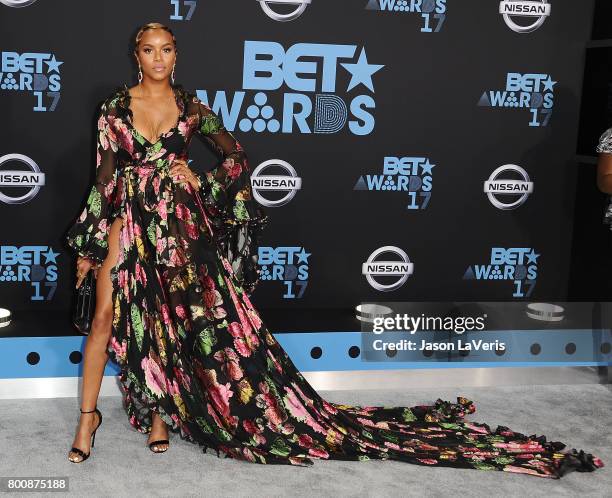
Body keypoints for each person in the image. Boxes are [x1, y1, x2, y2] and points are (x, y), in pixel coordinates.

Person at [64, 22, 605, 478]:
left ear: (176, 56)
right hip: (130, 224)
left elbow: (235, 157)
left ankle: (162, 417)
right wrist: (91, 243)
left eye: (166, 48)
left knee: (176, 324)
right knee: (109, 320)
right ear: (136, 56)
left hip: (181, 227)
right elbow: (103, 176)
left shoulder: (191, 107)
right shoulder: (115, 107)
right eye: (147, 49)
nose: (157, 57)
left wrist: (198, 182)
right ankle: (88, 418)